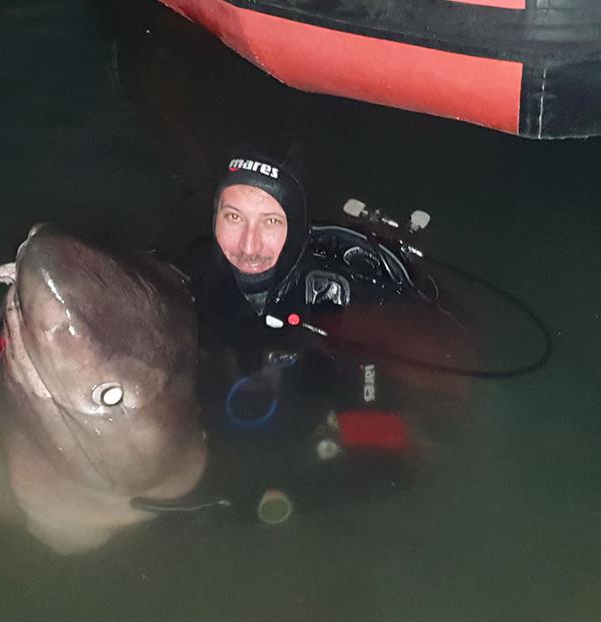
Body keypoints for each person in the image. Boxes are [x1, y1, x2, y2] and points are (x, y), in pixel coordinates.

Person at [177, 138, 437, 466]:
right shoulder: (192, 270)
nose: (248, 245)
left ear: (297, 227)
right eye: (233, 217)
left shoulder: (340, 298)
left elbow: (386, 443)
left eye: (271, 221)